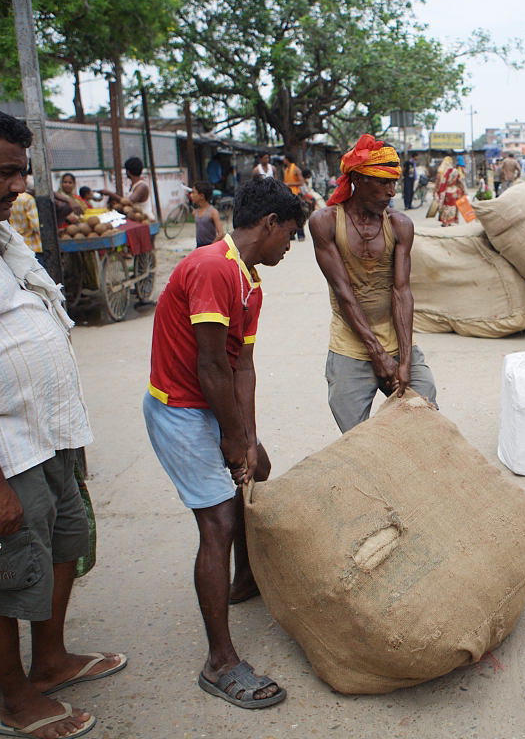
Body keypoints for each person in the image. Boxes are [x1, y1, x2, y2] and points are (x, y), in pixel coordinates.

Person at [0, 100, 126, 739]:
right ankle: (15, 701)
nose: (21, 186)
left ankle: (49, 663)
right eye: (5, 172)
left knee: (60, 550)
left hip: (46, 438)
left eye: (23, 171)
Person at [143, 175, 306, 709]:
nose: (291, 246)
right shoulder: (214, 267)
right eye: (290, 236)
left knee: (252, 474)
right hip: (180, 407)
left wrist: (249, 440)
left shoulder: (250, 281)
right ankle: (220, 663)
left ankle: (243, 581)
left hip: (209, 401)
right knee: (217, 520)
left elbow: (243, 366)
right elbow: (209, 364)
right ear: (269, 224)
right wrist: (231, 437)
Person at [309, 133, 437, 434]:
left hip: (397, 339)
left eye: (394, 182)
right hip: (351, 344)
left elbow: (402, 292)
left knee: (427, 415)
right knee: (356, 436)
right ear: (357, 179)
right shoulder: (325, 222)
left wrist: (404, 359)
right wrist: (378, 355)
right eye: (383, 182)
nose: (392, 191)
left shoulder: (399, 224)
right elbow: (344, 293)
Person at [8, 189, 44, 265]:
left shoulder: (7, 198)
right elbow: (35, 225)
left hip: (16, 245)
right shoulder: (27, 199)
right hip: (32, 246)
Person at [434, 156, 466, 227]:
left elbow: (437, 183)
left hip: (444, 192)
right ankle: (450, 221)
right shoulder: (455, 171)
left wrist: (435, 191)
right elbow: (459, 182)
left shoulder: (441, 171)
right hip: (453, 191)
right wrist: (463, 191)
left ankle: (444, 221)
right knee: (452, 206)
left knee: (445, 206)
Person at [192, 180, 225, 247]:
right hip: (199, 246)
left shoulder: (213, 212)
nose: (191, 195)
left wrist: (211, 246)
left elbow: (221, 234)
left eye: (193, 193)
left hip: (210, 246)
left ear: (201, 196)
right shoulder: (195, 212)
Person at [283, 151, 306, 240]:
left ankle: (301, 235)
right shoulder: (286, 170)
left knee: (298, 214)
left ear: (287, 159)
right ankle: (291, 235)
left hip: (296, 194)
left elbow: (301, 182)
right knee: (289, 215)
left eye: (284, 159)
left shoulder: (296, 169)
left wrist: (289, 184)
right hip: (288, 194)